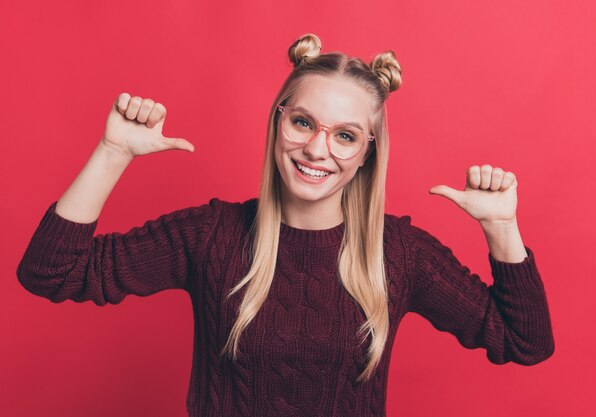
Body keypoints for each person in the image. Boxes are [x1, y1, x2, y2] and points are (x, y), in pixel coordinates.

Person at [16, 33, 555, 417]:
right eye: (303, 123)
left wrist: (502, 229)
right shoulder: (212, 236)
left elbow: (524, 342)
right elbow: (50, 272)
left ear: (368, 152)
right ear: (278, 121)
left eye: (345, 136)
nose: (318, 149)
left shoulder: (400, 253)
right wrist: (113, 151)